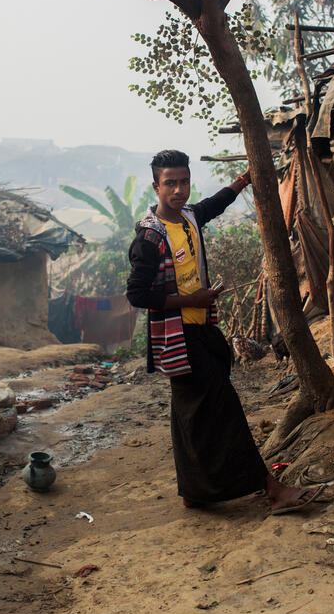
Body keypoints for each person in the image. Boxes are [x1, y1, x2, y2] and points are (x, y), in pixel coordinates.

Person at [125, 150, 321, 515]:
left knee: (190, 415)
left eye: (184, 181)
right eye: (170, 183)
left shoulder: (190, 218)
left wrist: (245, 179)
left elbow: (215, 204)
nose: (179, 190)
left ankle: (194, 491)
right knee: (226, 407)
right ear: (156, 186)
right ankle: (271, 488)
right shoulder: (149, 240)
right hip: (177, 337)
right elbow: (136, 294)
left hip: (202, 330)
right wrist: (190, 299)